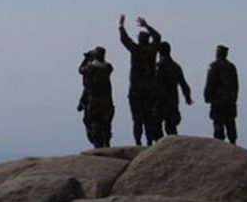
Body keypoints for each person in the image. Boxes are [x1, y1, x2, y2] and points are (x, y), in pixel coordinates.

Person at [118, 15, 162, 145]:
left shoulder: (135, 50)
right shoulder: (152, 50)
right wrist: (147, 26)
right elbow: (158, 37)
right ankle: (149, 142)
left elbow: (125, 40)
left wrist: (121, 26)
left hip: (136, 89)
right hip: (149, 89)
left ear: (139, 40)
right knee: (148, 118)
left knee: (137, 119)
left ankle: (138, 142)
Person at [152, 41, 193, 139]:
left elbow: (154, 84)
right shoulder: (176, 66)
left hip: (160, 100)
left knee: (157, 126)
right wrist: (187, 96)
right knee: (171, 127)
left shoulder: (158, 66)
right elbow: (183, 83)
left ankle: (159, 150)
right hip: (173, 100)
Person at [78, 46, 114, 148]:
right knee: (106, 124)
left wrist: (86, 59)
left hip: (94, 102)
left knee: (93, 123)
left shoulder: (91, 67)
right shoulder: (108, 67)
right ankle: (106, 143)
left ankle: (97, 145)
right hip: (107, 101)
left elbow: (80, 70)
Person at [203, 45, 239, 144]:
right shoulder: (231, 67)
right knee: (230, 123)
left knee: (218, 123)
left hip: (217, 101)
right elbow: (236, 86)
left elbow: (209, 82)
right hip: (230, 101)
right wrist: (234, 98)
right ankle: (233, 142)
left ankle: (219, 144)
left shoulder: (214, 66)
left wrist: (206, 96)